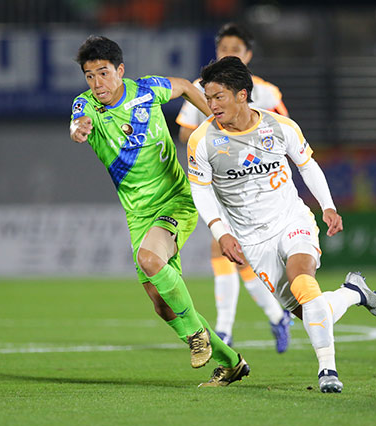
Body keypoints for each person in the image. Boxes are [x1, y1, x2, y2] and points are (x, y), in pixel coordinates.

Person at [187, 56, 376, 393]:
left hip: (291, 221)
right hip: (252, 240)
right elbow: (201, 190)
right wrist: (221, 233)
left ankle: (327, 371)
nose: (212, 105)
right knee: (308, 310)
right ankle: (354, 292)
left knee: (304, 283)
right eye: (208, 98)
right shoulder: (203, 140)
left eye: (218, 96)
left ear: (242, 94)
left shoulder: (280, 127)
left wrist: (328, 206)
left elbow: (307, 165)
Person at [68, 35, 249, 387]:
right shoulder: (85, 105)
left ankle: (195, 334)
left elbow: (185, 87)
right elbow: (77, 122)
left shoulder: (148, 90)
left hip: (176, 200)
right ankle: (231, 363)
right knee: (162, 304)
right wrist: (78, 130)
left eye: (103, 73)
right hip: (138, 215)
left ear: (120, 70)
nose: (97, 83)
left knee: (150, 260)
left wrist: (218, 124)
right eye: (89, 76)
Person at [176, 22, 291, 353]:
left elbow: (284, 132)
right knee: (230, 253)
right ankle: (265, 319)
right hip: (219, 182)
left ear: (248, 55)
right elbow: (184, 132)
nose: (229, 53)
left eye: (236, 50)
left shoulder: (266, 92)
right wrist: (214, 132)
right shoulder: (200, 88)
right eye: (224, 48)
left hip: (258, 187)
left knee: (236, 255)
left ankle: (239, 325)